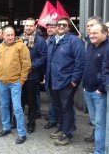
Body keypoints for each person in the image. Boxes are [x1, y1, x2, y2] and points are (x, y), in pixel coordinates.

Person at [46, 17, 85, 146]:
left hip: (67, 82)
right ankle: (62, 127)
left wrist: (74, 80)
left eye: (64, 25)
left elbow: (80, 62)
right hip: (53, 81)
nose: (61, 26)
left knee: (66, 108)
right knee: (58, 107)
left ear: (68, 27)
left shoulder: (74, 41)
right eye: (59, 24)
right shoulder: (52, 40)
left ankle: (67, 134)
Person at [0, 26, 31, 144]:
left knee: (17, 108)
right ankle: (6, 128)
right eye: (7, 35)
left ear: (14, 35)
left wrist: (21, 81)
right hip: (1, 82)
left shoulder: (21, 46)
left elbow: (26, 65)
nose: (10, 37)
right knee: (4, 106)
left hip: (15, 82)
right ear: (3, 36)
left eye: (12, 35)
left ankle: (22, 133)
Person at [83, 23, 108, 154]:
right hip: (88, 90)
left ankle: (100, 151)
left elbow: (107, 71)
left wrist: (101, 89)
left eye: (95, 33)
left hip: (99, 93)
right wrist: (85, 86)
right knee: (95, 122)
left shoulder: (107, 48)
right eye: (90, 33)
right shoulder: (91, 47)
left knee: (100, 124)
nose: (91, 35)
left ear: (105, 34)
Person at [20, 18, 47, 133]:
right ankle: (17, 121)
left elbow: (43, 57)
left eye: (31, 26)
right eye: (26, 25)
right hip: (20, 76)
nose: (28, 28)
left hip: (32, 76)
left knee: (32, 102)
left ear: (35, 27)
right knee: (19, 100)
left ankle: (31, 123)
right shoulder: (20, 39)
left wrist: (31, 66)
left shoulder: (40, 41)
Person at [43, 21, 58, 129]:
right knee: (51, 100)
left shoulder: (60, 41)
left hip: (60, 77)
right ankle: (53, 119)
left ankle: (70, 123)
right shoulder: (47, 41)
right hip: (49, 76)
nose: (49, 29)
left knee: (64, 102)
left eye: (52, 27)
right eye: (48, 27)